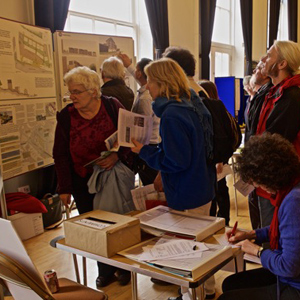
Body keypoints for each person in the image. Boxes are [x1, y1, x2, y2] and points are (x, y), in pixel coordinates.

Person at [131, 58, 216, 300]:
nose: (147, 87)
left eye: (150, 81)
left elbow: (177, 161)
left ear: (161, 82)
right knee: (201, 245)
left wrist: (145, 151)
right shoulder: (193, 103)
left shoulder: (172, 115)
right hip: (201, 185)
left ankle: (191, 296)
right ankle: (206, 292)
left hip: (186, 191)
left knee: (188, 250)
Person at [52, 66, 132, 289]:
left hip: (112, 175)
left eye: (77, 91)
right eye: (70, 92)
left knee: (118, 223)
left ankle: (124, 267)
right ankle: (105, 271)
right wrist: (64, 188)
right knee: (95, 227)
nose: (72, 96)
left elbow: (129, 134)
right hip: (82, 179)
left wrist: (117, 155)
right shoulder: (66, 116)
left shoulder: (111, 106)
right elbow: (60, 153)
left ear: (93, 91)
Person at [218, 133, 300, 300]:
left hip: (294, 285)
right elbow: (288, 230)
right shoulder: (293, 187)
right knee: (230, 284)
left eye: (257, 182)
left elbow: (289, 267)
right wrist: (252, 234)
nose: (256, 187)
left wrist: (257, 251)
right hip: (291, 276)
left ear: (269, 176)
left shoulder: (293, 201)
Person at [255, 40, 300, 228]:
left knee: (275, 238)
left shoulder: (292, 96)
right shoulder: (272, 92)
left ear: (282, 64)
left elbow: (275, 142)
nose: (263, 59)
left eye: (269, 55)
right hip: (266, 179)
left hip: (277, 183)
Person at [118, 53, 160, 185]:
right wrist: (128, 65)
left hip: (149, 144)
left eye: (136, 70)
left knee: (151, 185)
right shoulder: (146, 91)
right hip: (150, 143)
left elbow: (146, 124)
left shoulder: (146, 98)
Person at [244, 60, 272, 230]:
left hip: (264, 171)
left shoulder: (269, 96)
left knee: (266, 222)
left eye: (258, 68)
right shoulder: (259, 97)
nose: (254, 71)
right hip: (256, 168)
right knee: (257, 217)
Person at [198, 80, 231, 226]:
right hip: (221, 158)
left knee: (217, 192)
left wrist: (219, 160)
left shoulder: (211, 110)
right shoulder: (221, 108)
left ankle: (218, 222)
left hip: (215, 160)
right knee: (222, 191)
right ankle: (224, 221)